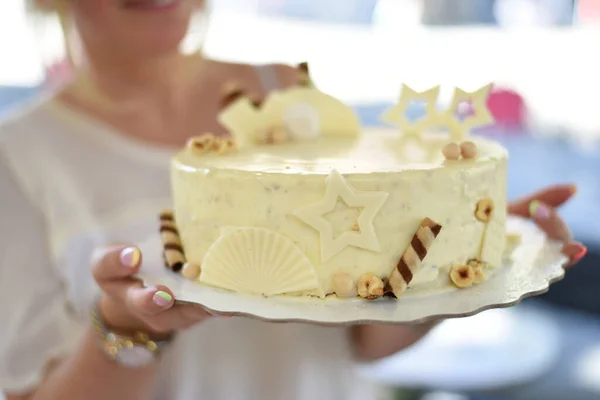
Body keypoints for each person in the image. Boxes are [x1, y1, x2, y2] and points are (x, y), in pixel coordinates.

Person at [0, 1, 587, 399]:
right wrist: (126, 330)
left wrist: (447, 263)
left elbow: (364, 337)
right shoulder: (20, 157)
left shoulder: (284, 93)